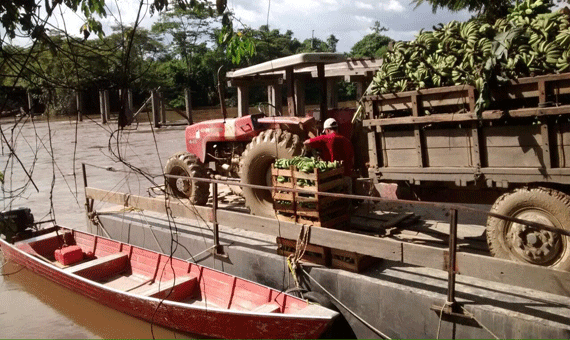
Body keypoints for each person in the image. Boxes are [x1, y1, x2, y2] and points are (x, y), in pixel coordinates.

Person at [303, 118, 354, 194]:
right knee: (347, 200)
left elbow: (307, 142)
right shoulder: (347, 141)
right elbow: (352, 158)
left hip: (333, 177)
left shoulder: (325, 138)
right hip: (347, 176)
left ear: (327, 130)